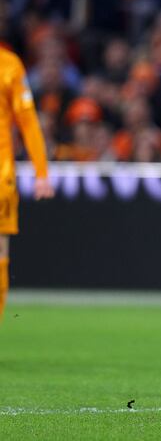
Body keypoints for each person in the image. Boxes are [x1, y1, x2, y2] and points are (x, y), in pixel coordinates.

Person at [0, 47, 54, 322]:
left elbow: (28, 122)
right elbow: (28, 121)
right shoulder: (8, 64)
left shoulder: (9, 64)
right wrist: (41, 172)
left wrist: (42, 171)